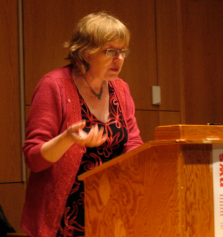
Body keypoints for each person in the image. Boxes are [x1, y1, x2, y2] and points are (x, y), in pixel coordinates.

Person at [21, 12, 143, 237]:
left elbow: (132, 142)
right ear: (85, 52)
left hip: (111, 211)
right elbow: (33, 158)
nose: (119, 59)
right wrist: (67, 138)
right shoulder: (54, 85)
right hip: (63, 217)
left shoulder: (121, 89)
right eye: (110, 51)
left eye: (122, 51)